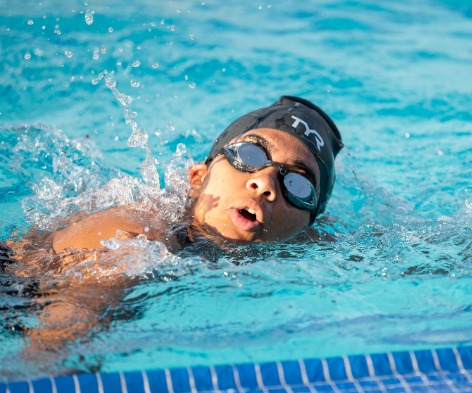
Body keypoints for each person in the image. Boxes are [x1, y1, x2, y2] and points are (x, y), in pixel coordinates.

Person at [2, 95, 343, 352]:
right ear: (197, 178)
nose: (265, 183)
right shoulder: (139, 235)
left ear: (306, 230)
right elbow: (62, 336)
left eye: (298, 184)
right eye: (250, 155)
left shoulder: (305, 253)